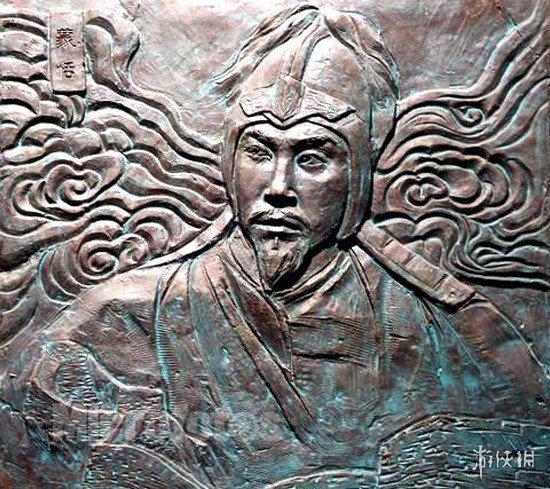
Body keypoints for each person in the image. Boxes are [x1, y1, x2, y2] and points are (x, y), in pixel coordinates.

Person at [20, 5, 547, 488]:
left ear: (357, 176)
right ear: (229, 162)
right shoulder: (126, 315)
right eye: (257, 151)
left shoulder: (439, 326)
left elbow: (523, 450)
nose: (277, 187)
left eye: (312, 158)